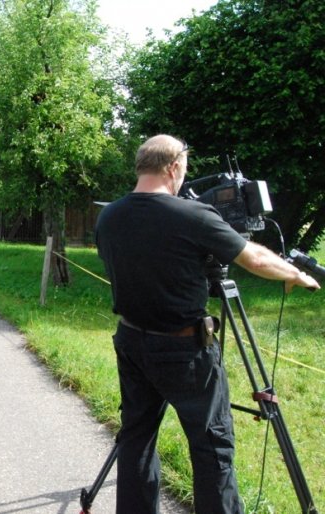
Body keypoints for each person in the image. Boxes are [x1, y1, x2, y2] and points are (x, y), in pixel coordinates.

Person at [94, 134, 320, 514]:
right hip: (184, 351)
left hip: (131, 341)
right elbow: (256, 260)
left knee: (136, 439)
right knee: (211, 445)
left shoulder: (110, 215)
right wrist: (295, 274)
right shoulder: (192, 215)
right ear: (174, 167)